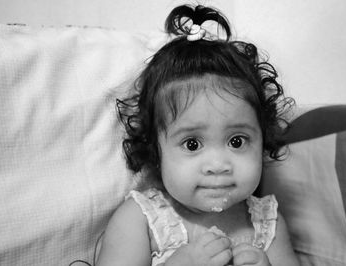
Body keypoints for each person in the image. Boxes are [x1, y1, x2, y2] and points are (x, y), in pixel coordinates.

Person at [97, 4, 299, 266]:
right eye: (192, 144)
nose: (218, 166)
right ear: (156, 152)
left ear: (263, 141)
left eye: (236, 141)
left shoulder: (267, 222)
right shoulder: (142, 219)